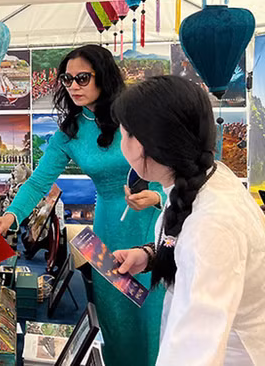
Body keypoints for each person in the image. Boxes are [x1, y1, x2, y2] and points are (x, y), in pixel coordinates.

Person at [0, 45, 165, 366]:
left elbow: (180, 173)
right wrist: (12, 215)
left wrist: (158, 198)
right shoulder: (69, 133)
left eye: (82, 78)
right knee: (117, 326)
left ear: (105, 76)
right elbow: (38, 182)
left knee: (153, 323)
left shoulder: (137, 115)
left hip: (153, 225)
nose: (73, 86)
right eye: (67, 79)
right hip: (108, 228)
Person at [112, 76, 265, 365]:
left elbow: (196, 350)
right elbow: (186, 243)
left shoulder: (212, 225)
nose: (122, 145)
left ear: (148, 144)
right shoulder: (203, 176)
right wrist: (152, 254)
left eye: (125, 135)